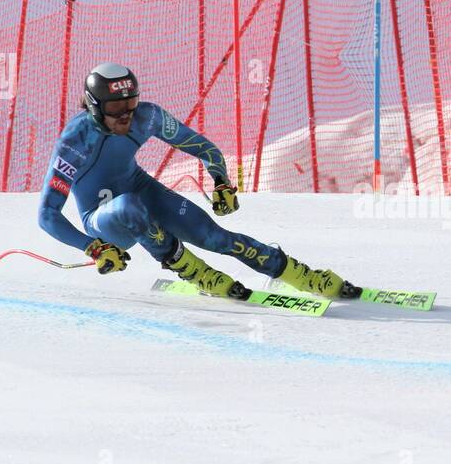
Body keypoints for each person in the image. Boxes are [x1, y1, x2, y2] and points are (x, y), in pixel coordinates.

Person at [37, 63, 361, 300]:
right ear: (94, 107)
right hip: (105, 224)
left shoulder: (146, 116)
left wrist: (220, 181)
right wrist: (92, 247)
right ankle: (192, 269)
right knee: (127, 207)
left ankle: (298, 274)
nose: (126, 114)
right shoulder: (75, 141)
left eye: (131, 103)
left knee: (217, 237)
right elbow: (47, 215)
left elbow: (203, 147)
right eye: (116, 107)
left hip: (141, 193)